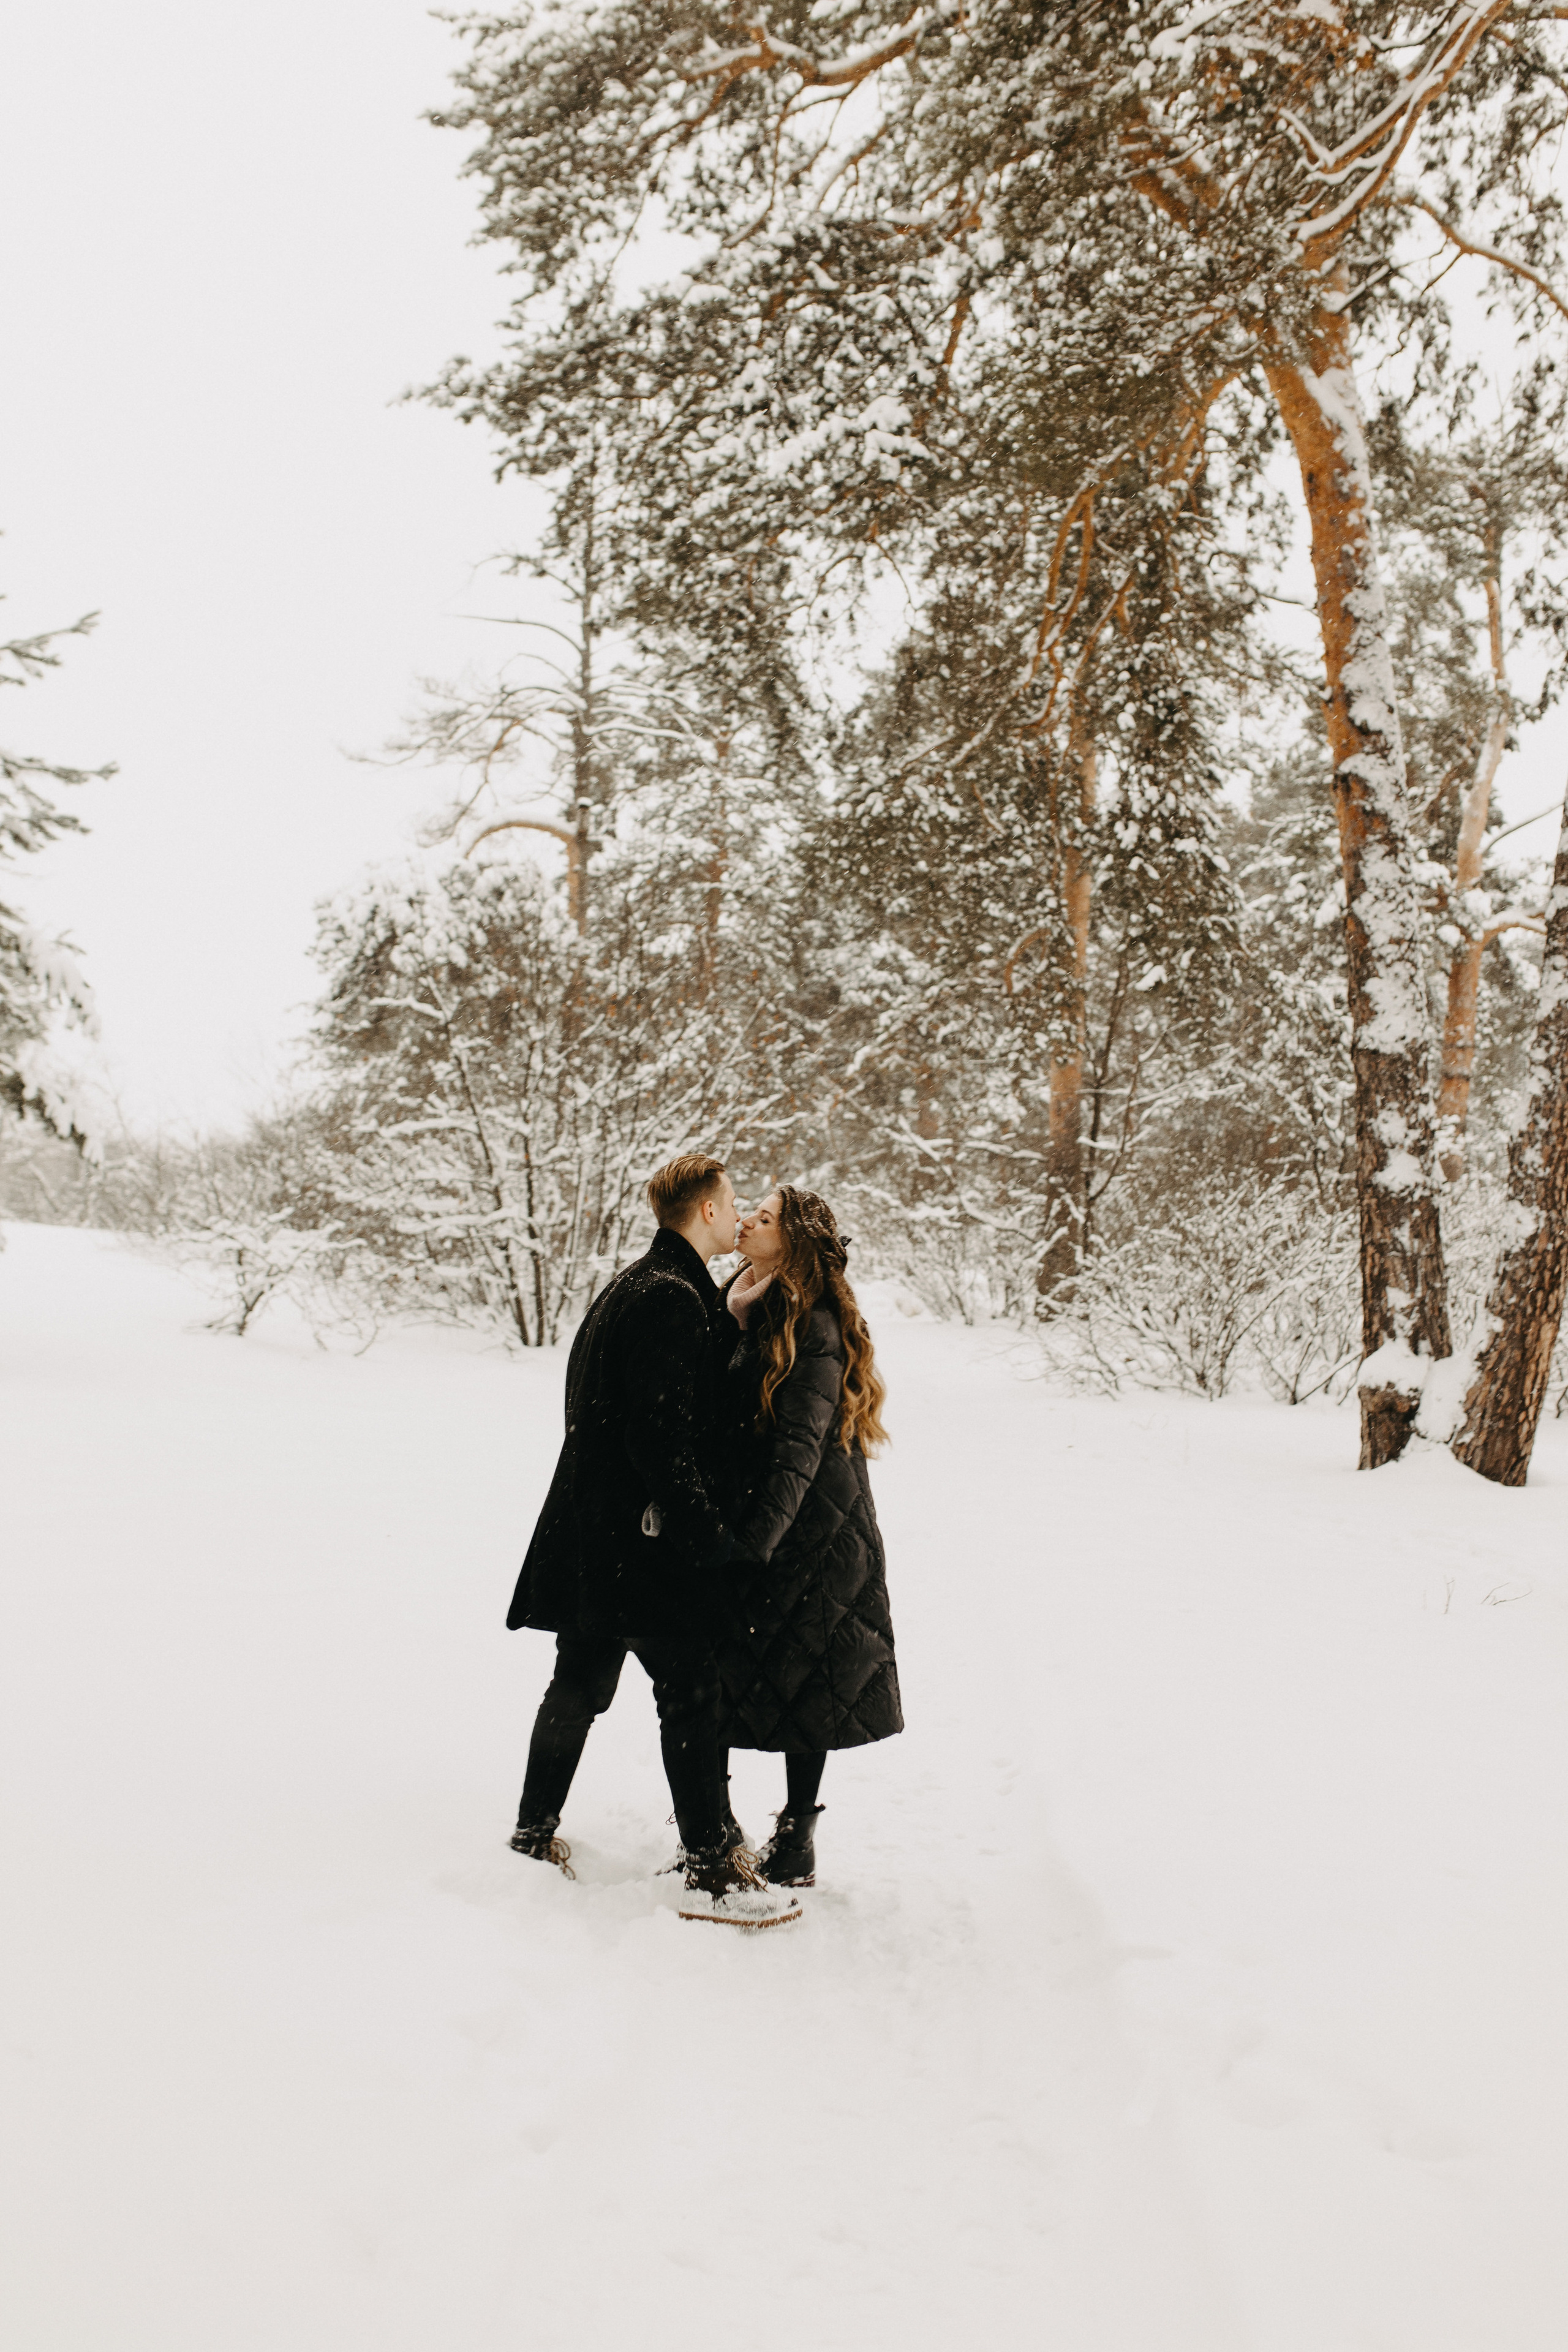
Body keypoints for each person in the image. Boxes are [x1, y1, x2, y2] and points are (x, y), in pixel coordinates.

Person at [506, 1153, 799, 1930]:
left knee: (579, 1684)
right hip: (640, 1545)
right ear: (704, 1211)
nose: (739, 1217)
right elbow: (662, 1433)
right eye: (732, 1203)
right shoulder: (669, 1297)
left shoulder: (636, 1285)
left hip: (590, 1537)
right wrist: (703, 1534)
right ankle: (712, 1872)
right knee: (692, 1693)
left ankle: (532, 1837)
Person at [712, 1186, 902, 1887]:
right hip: (776, 1518)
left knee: (809, 1678)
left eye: (762, 1218)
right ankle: (721, 1826)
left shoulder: (812, 1321)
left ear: (790, 1241)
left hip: (812, 1529)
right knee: (742, 1671)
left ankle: (795, 1835)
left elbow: (798, 1445)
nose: (747, 1222)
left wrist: (754, 1543)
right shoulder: (748, 1303)